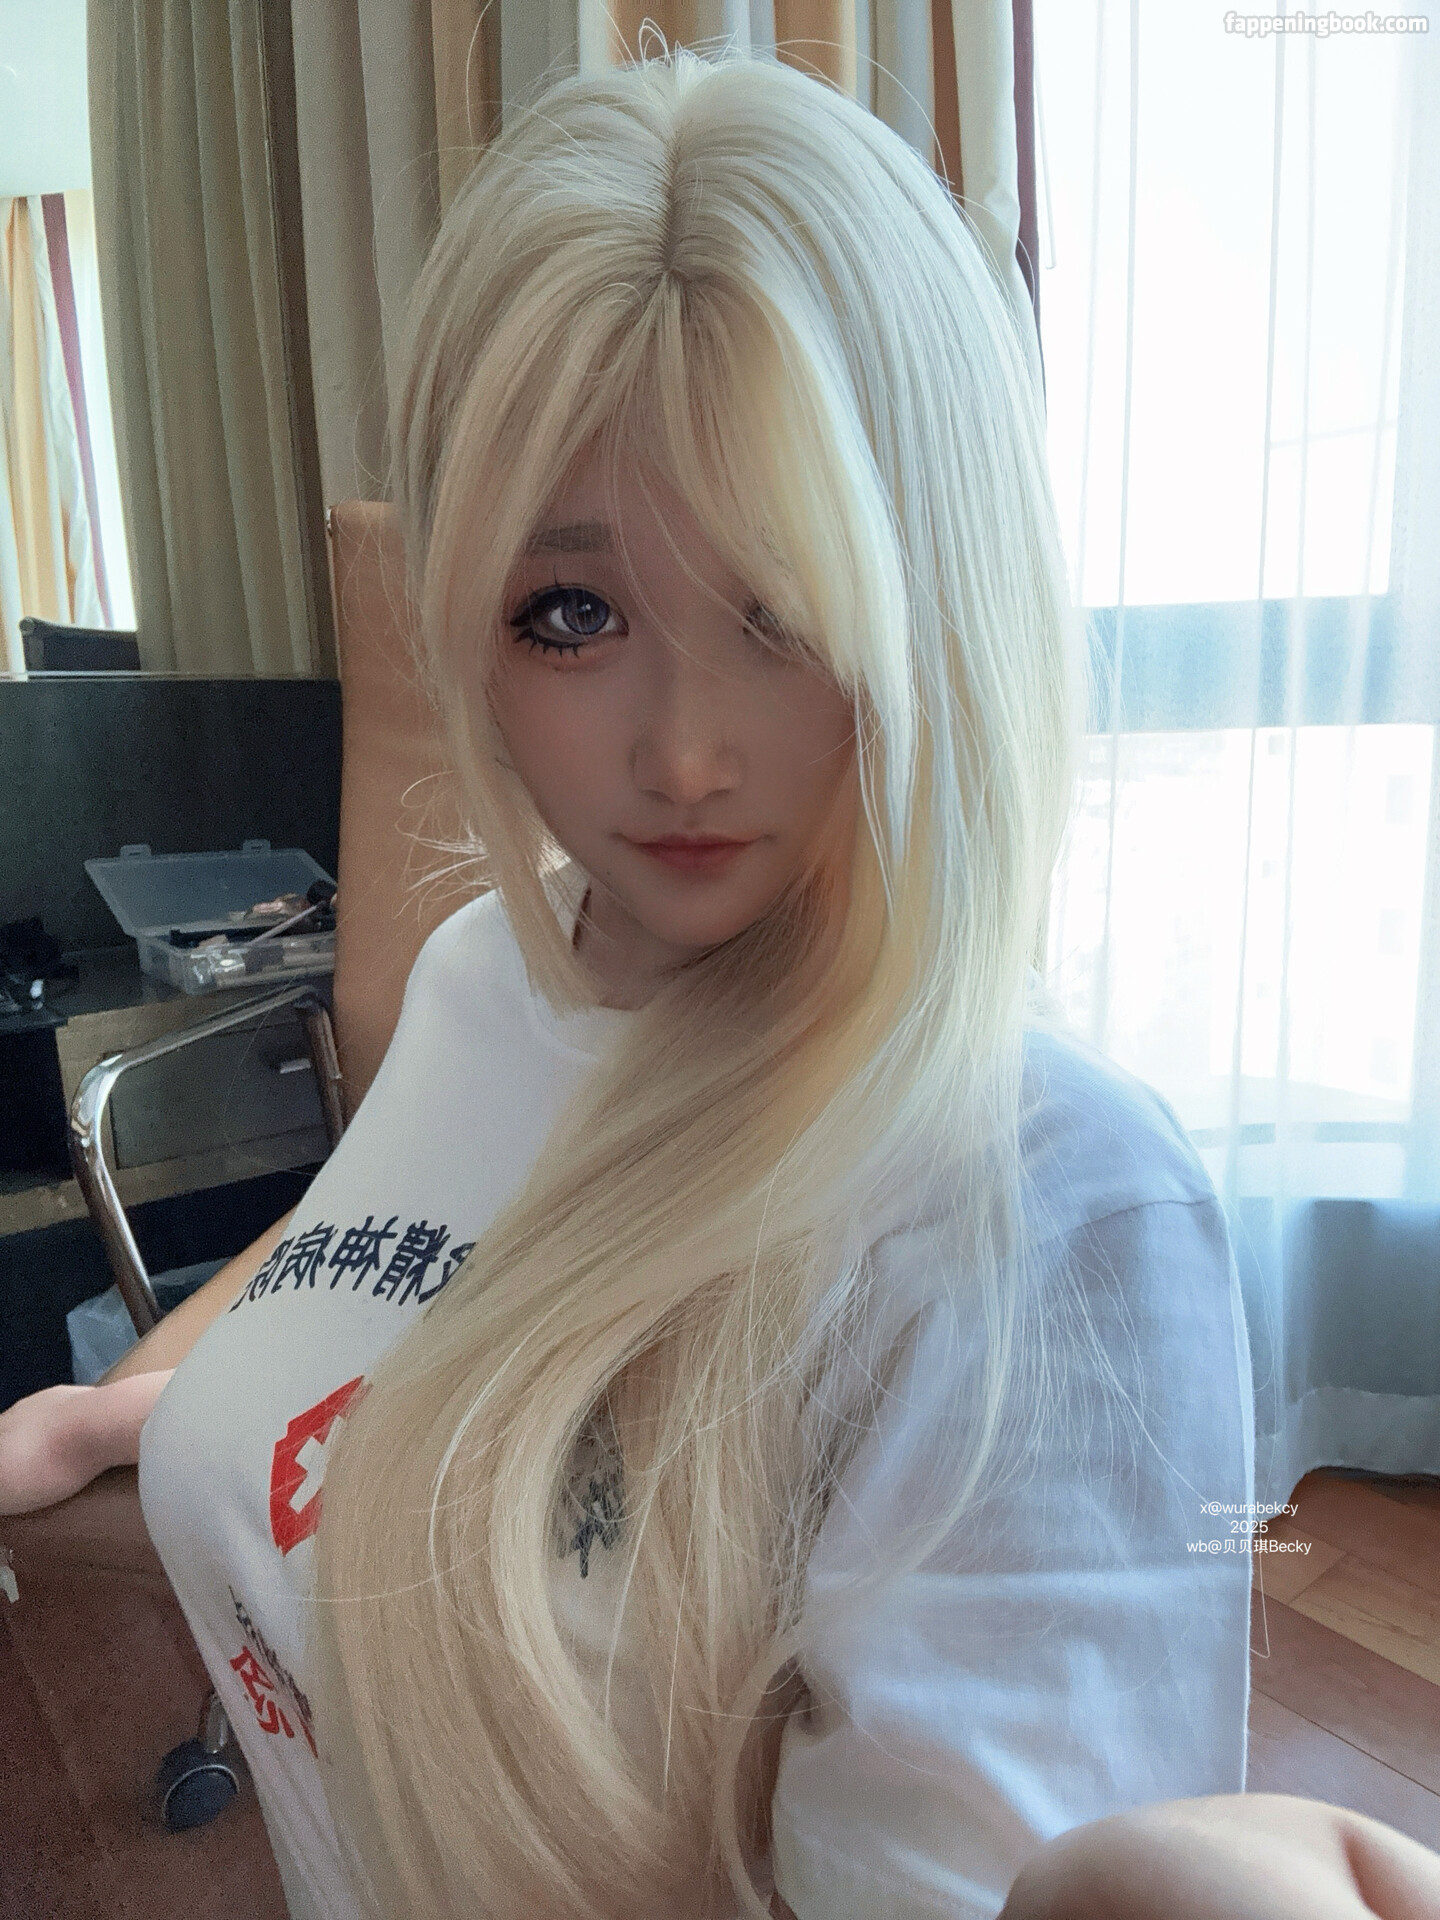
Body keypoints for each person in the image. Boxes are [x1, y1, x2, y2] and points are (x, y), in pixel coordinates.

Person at [2, 41, 1435, 1920]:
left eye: (786, 603)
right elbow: (435, 1303)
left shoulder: (1045, 1215)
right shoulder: (490, 974)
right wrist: (147, 1412)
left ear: (936, 596)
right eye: (572, 613)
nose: (683, 754)